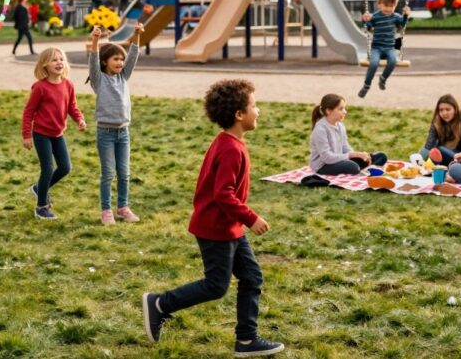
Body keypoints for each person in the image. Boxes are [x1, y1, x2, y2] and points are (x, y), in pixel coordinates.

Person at [141, 79, 284, 358]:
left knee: (252, 276)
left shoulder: (229, 142)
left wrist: (241, 220)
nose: (259, 111)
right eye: (254, 106)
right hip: (216, 228)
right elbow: (223, 194)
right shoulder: (230, 148)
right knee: (216, 286)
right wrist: (251, 217)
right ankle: (159, 303)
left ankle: (246, 340)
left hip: (229, 226)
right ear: (239, 115)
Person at [22, 47, 86, 221]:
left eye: (61, 59)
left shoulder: (68, 84)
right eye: (54, 60)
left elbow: (72, 106)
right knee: (48, 169)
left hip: (58, 133)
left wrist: (79, 119)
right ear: (44, 65)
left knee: (65, 167)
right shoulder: (41, 88)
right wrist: (27, 134)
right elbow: (29, 111)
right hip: (41, 133)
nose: (59, 62)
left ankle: (38, 189)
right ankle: (41, 207)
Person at [88, 23, 142, 225]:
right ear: (105, 62)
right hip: (106, 133)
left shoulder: (123, 77)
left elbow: (134, 55)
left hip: (123, 133)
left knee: (124, 173)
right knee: (108, 173)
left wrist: (136, 34)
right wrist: (95, 40)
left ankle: (123, 207)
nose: (120, 62)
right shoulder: (99, 79)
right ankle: (106, 211)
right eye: (116, 59)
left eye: (121, 59)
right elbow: (92, 60)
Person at [308, 93, 387, 175]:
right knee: (352, 167)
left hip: (340, 160)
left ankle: (366, 166)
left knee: (381, 156)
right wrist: (353, 155)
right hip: (324, 165)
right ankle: (363, 168)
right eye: (341, 109)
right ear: (328, 111)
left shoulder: (340, 125)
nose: (345, 112)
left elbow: (345, 147)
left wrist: (358, 156)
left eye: (344, 108)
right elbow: (327, 158)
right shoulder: (320, 130)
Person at [359, 0, 411, 98]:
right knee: (373, 64)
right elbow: (368, 28)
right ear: (379, 4)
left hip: (389, 48)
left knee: (393, 61)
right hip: (376, 48)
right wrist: (365, 20)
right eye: (386, 5)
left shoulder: (396, 17)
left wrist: (406, 15)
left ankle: (383, 79)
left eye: (392, 6)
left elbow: (403, 24)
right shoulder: (375, 16)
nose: (388, 8)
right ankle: (366, 86)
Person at [418, 94, 461, 162]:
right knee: (427, 152)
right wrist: (420, 156)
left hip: (460, 154)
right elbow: (429, 144)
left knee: (438, 149)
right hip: (441, 153)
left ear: (455, 109)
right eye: (441, 110)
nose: (444, 113)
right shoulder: (436, 121)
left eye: (448, 109)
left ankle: (457, 160)